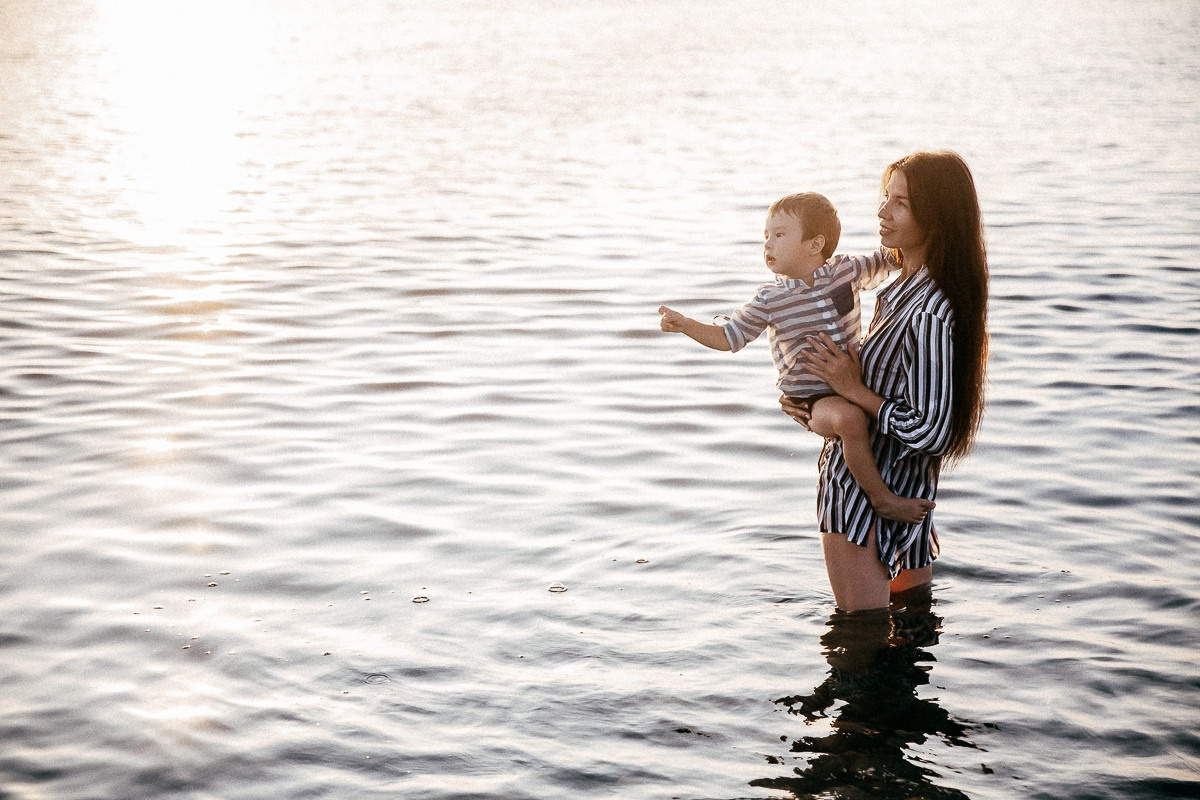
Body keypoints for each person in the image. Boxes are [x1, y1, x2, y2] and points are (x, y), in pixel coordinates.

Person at [781, 151, 989, 613]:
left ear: (937, 218)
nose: (881, 212)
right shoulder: (898, 291)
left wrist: (853, 391)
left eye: (901, 203)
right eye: (886, 197)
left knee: (860, 650)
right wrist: (812, 404)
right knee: (906, 648)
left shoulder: (930, 312)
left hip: (864, 505)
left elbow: (930, 431)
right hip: (903, 498)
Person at [658, 192, 935, 523]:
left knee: (875, 414)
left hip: (851, 381)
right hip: (812, 399)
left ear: (815, 244)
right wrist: (687, 325)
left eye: (778, 235)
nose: (767, 245)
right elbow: (729, 337)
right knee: (850, 420)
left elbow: (892, 257)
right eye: (766, 237)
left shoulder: (846, 271)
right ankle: (882, 499)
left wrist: (932, 230)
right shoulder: (769, 299)